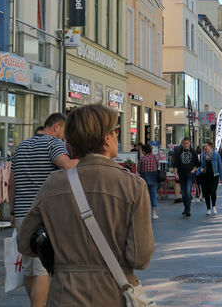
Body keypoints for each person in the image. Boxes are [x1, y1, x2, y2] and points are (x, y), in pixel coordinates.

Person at [17, 105, 154, 306]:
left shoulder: (54, 183)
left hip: (65, 294)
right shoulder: (133, 185)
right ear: (107, 138)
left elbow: (25, 243)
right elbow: (140, 258)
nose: (117, 136)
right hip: (113, 294)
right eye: (116, 131)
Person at [9, 113, 78, 307]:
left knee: (31, 267)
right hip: (44, 216)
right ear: (57, 127)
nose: (65, 137)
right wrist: (94, 161)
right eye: (65, 131)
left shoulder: (21, 146)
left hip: (23, 215)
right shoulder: (53, 144)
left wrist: (13, 213)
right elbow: (67, 166)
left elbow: (11, 184)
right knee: (41, 270)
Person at [173, 138, 199, 217]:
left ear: (190, 143)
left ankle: (188, 209)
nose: (186, 145)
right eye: (184, 143)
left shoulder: (193, 152)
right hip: (181, 175)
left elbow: (197, 163)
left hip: (190, 175)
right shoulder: (179, 152)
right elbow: (175, 164)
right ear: (182, 143)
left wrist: (194, 170)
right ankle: (186, 207)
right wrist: (176, 174)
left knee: (188, 191)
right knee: (184, 193)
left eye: (187, 143)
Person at [198, 143, 222, 215]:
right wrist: (200, 169)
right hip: (205, 176)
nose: (205, 147)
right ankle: (208, 208)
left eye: (206, 146)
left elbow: (220, 166)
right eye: (204, 146)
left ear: (210, 147)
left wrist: (221, 178)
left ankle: (214, 206)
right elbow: (200, 165)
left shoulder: (216, 155)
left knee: (213, 192)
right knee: (206, 193)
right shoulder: (202, 155)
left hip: (214, 176)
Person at [138, 143, 160, 220]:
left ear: (144, 151)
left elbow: (139, 170)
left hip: (145, 178)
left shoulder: (142, 159)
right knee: (153, 195)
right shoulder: (155, 157)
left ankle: (145, 213)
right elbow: (158, 166)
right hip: (154, 178)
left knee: (145, 196)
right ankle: (154, 213)